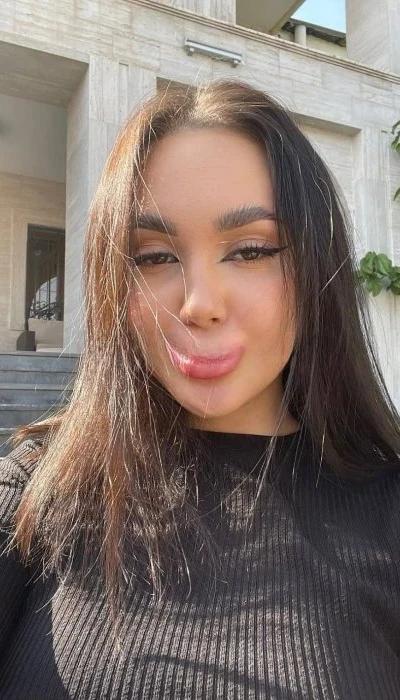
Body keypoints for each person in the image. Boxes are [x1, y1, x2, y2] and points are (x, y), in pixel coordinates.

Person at [1, 79, 400, 700]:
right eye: (154, 257)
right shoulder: (35, 491)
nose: (197, 304)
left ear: (316, 265)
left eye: (250, 250)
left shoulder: (388, 510)